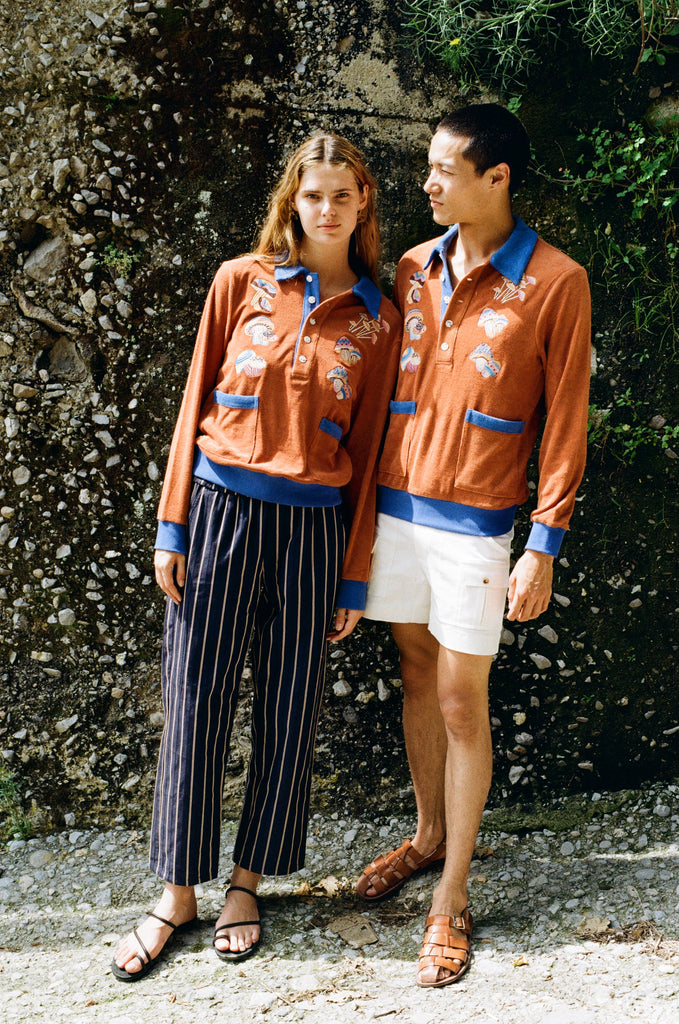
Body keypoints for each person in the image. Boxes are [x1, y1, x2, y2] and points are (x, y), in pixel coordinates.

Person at [112, 133, 401, 981]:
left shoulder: (377, 317)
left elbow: (374, 453)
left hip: (313, 530)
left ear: (362, 204)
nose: (326, 210)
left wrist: (353, 571)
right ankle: (177, 891)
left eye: (342, 196)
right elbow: (193, 401)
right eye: (312, 196)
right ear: (291, 201)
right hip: (218, 510)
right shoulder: (240, 282)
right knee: (195, 695)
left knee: (290, 703)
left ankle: (246, 882)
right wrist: (173, 528)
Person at [358, 104, 591, 988]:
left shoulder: (556, 281)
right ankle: (426, 837)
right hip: (394, 511)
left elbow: (565, 418)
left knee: (461, 698)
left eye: (441, 170)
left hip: (480, 523)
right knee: (416, 671)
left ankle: (450, 898)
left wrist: (544, 542)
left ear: (494, 178)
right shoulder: (414, 266)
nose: (424, 183)